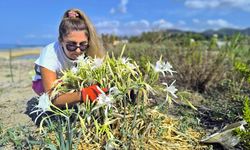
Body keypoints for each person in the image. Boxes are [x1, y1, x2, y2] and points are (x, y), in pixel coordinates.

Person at [32, 8, 107, 107]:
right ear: (61, 41)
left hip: (67, 80)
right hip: (42, 84)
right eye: (71, 45)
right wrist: (82, 95)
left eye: (83, 45)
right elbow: (51, 97)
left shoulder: (89, 50)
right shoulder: (49, 54)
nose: (78, 51)